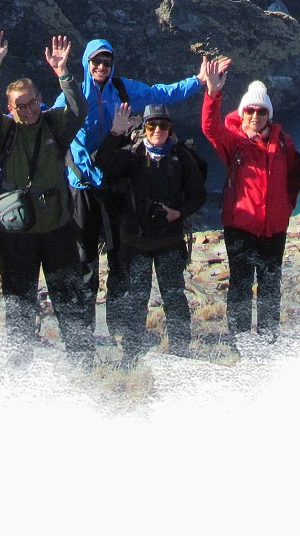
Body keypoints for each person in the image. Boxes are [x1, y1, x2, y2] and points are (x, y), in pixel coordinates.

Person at [57, 39, 202, 337]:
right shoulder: (72, 96)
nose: (101, 67)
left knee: (119, 261)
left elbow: (158, 93)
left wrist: (197, 81)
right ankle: (82, 337)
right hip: (81, 187)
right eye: (96, 62)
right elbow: (47, 121)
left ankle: (120, 331)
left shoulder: (121, 91)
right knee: (85, 264)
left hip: (112, 186)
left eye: (107, 62)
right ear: (86, 63)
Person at [0, 29, 91, 362]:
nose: (28, 110)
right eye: (20, 106)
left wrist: (63, 72)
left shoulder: (55, 124)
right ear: (11, 109)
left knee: (69, 300)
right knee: (20, 305)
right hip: (17, 237)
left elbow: (78, 108)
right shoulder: (5, 133)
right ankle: (20, 366)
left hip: (57, 230)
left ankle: (82, 362)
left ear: (39, 98)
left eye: (31, 102)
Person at [94, 102, 206, 363]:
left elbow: (198, 194)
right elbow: (102, 162)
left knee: (174, 296)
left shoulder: (181, 157)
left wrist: (178, 213)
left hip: (169, 239)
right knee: (136, 299)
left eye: (163, 125)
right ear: (144, 128)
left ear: (170, 128)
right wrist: (115, 134)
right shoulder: (132, 155)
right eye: (151, 125)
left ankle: (180, 350)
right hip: (136, 243)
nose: (157, 130)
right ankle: (131, 354)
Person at [199, 56, 300, 344]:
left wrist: (287, 206)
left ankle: (269, 341)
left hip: (274, 228)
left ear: (269, 114)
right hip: (241, 227)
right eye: (250, 111)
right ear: (242, 113)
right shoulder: (234, 140)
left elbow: (294, 174)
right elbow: (209, 128)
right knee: (241, 285)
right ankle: (240, 341)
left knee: (270, 285)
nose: (255, 116)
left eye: (261, 112)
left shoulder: (283, 142)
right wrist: (212, 92)